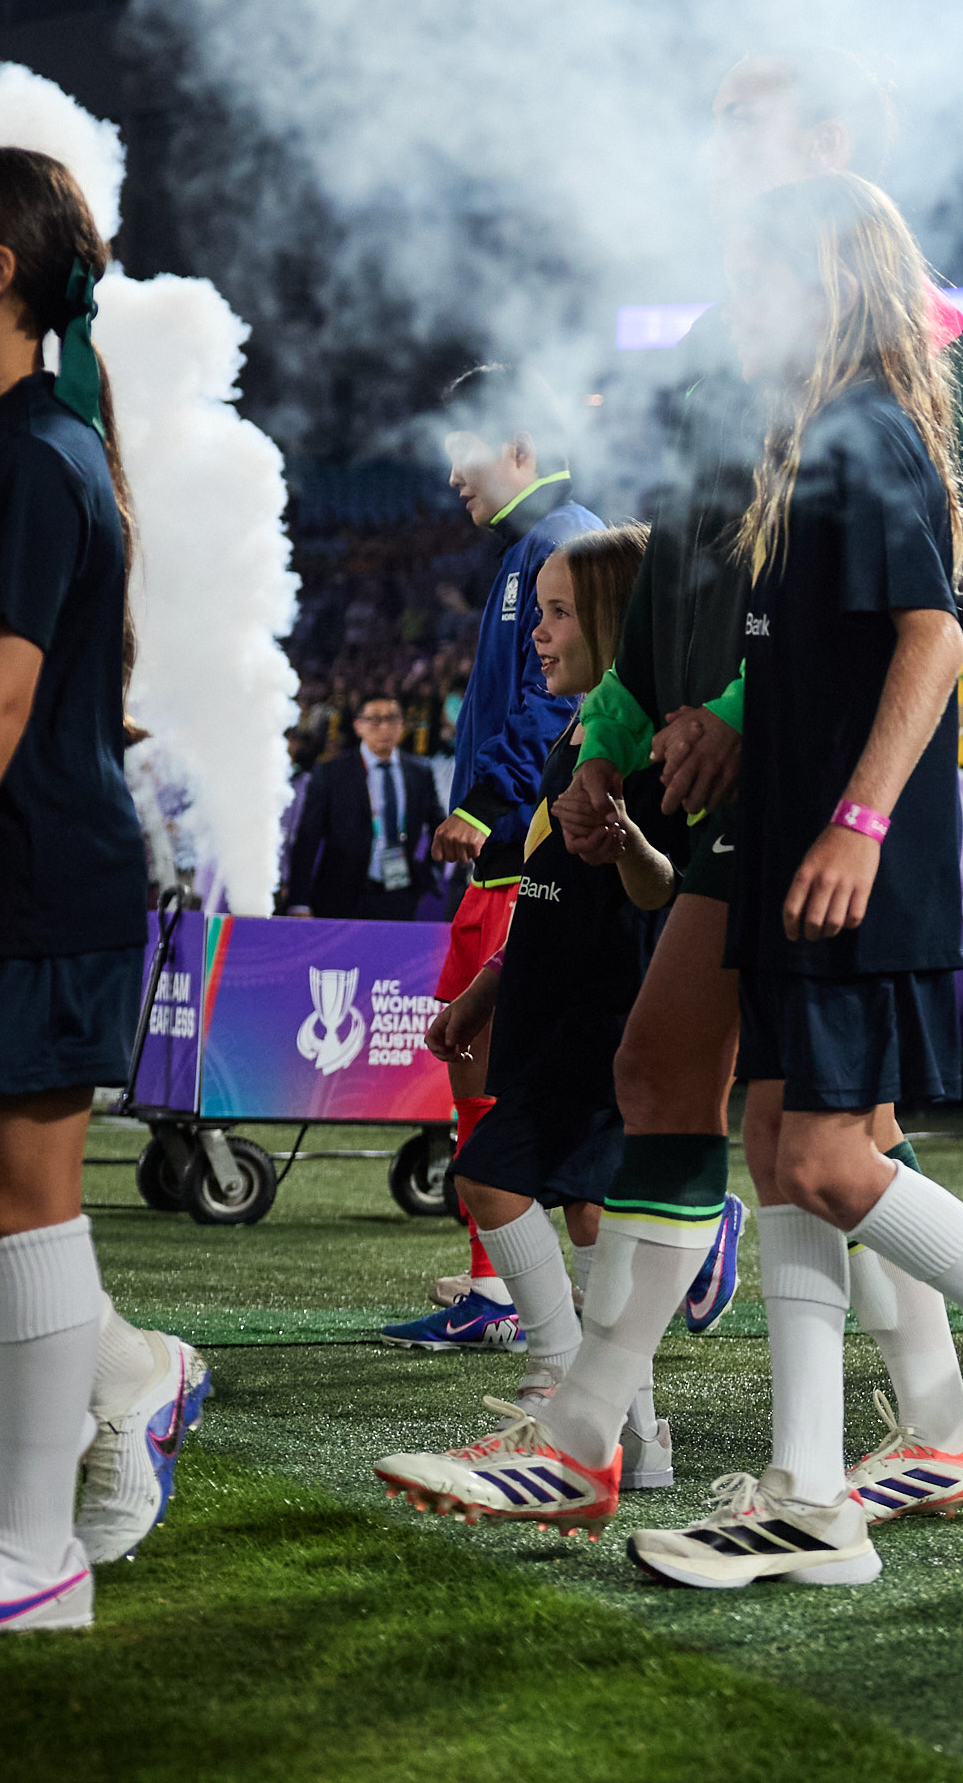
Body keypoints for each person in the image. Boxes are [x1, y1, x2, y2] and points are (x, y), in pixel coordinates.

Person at [422, 175, 963, 1574]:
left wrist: (858, 824)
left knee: (819, 1151)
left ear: (831, 280)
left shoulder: (867, 429)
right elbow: (778, 658)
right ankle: (801, 1485)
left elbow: (934, 639)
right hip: (780, 823)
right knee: (774, 1149)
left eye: (764, 269)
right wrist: (679, 733)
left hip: (838, 841)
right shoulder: (795, 439)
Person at [0, 145, 211, 1635]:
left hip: (34, 881)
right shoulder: (28, 439)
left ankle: (36, 1552)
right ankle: (102, 1415)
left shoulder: (25, 453)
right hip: (30, 875)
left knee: (24, 1204)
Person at [375, 526, 691, 1509]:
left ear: (613, 623)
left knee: (492, 1174)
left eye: (558, 615)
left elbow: (661, 891)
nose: (539, 636)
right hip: (549, 1001)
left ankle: (565, 1401)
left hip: (607, 1011)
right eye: (539, 612)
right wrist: (486, 986)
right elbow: (548, 886)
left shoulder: (642, 741)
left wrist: (632, 843)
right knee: (584, 1212)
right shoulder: (575, 731)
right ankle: (634, 1439)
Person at [377, 365, 602, 1349]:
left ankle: (548, 1301)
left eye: (462, 451)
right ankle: (501, 1287)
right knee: (476, 1065)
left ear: (516, 447)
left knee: (505, 1072)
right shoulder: (534, 546)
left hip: (528, 855)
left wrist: (481, 803)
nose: (452, 475)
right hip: (509, 853)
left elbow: (556, 701)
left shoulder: (561, 543)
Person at [282, 694, 442, 921]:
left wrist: (429, 876)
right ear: (358, 726)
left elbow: (440, 827)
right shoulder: (331, 772)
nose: (384, 727)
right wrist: (299, 900)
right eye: (375, 720)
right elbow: (308, 837)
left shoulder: (420, 772)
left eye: (392, 718)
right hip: (338, 897)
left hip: (398, 895)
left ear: (402, 725)